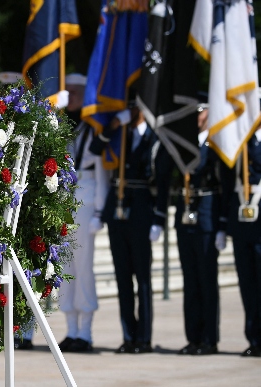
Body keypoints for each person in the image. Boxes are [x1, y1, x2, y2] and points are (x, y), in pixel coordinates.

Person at [152, 105, 223, 355]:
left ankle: (209, 339)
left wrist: (222, 224)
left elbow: (220, 181)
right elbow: (161, 170)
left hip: (206, 214)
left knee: (206, 279)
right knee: (190, 280)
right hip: (184, 215)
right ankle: (193, 337)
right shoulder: (181, 144)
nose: (197, 116)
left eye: (201, 110)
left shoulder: (215, 144)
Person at [92, 100, 160, 354]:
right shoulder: (117, 135)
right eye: (128, 107)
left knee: (142, 276)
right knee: (122, 277)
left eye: (135, 107)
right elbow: (95, 147)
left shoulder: (153, 138)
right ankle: (128, 335)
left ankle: (144, 338)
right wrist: (114, 125)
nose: (130, 112)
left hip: (140, 210)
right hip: (116, 210)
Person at [57, 73, 109, 352]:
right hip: (64, 205)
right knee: (66, 268)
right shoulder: (63, 127)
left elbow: (101, 173)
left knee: (84, 268)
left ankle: (86, 332)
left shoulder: (93, 129)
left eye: (75, 93)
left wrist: (101, 211)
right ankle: (72, 330)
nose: (71, 98)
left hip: (87, 204)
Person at [220, 126, 261, 358]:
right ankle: (254, 338)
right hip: (240, 215)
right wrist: (223, 223)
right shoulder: (238, 143)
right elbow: (227, 182)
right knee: (247, 283)